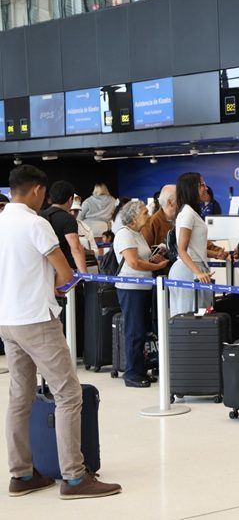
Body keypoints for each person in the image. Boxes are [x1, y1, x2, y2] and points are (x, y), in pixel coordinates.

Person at [0, 165, 121, 499]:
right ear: (38, 190)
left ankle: (21, 475)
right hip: (37, 319)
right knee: (68, 393)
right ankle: (74, 477)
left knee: (19, 397)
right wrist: (63, 288)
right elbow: (65, 273)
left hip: (7, 320)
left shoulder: (1, 221)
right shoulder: (35, 223)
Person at [113, 201, 169, 387]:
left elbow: (140, 259)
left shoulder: (137, 234)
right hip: (131, 289)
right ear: (134, 216)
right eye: (145, 212)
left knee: (142, 330)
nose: (148, 214)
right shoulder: (125, 235)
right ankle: (132, 373)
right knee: (134, 331)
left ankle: (140, 368)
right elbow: (133, 263)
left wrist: (152, 258)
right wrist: (157, 266)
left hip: (142, 288)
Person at [168, 173, 217, 317]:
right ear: (191, 188)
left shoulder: (190, 212)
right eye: (201, 185)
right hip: (187, 271)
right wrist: (198, 272)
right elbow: (181, 250)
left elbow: (194, 247)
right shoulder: (187, 214)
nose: (205, 188)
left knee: (199, 316)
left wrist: (216, 254)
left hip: (192, 269)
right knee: (189, 318)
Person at [40, 181, 89, 274]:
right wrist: (85, 275)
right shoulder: (68, 219)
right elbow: (76, 248)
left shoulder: (40, 216)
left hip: (43, 268)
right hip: (63, 270)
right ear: (70, 200)